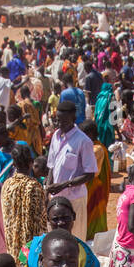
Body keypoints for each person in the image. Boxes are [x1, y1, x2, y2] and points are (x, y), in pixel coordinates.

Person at [45, 98, 96, 239]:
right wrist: (48, 189)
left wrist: (64, 185)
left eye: (64, 120)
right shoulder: (56, 136)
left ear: (73, 118)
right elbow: (51, 166)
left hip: (75, 199)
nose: (60, 124)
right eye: (57, 120)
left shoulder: (83, 141)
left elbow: (89, 174)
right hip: (56, 199)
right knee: (55, 237)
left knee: (76, 238)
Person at [82, 119, 111, 239]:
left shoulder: (97, 149)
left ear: (90, 134)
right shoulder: (94, 147)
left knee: (94, 217)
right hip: (89, 187)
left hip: (94, 188)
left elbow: (89, 169)